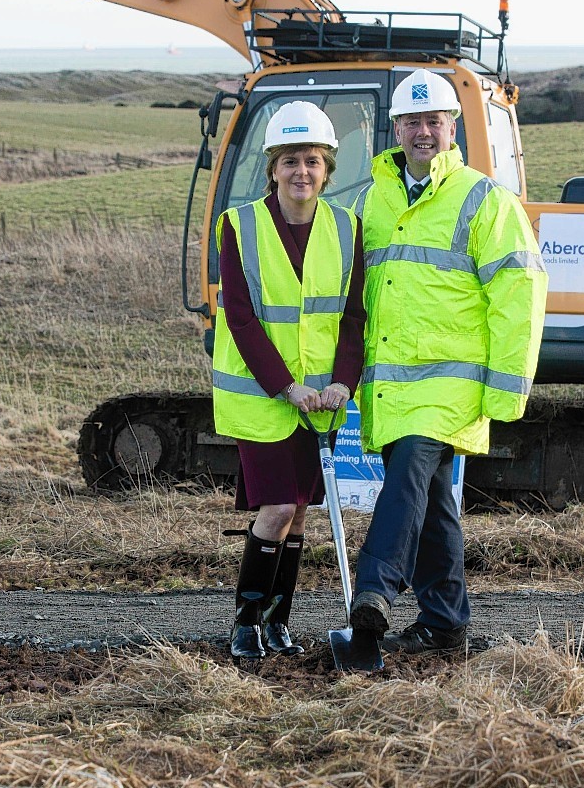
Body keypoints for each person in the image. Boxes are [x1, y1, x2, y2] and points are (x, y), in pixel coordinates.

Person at [348, 67, 548, 656]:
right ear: (395, 128)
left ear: (452, 126)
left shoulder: (485, 200)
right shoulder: (371, 200)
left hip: (450, 386)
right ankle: (445, 624)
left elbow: (520, 295)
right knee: (433, 504)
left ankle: (373, 595)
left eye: (433, 120)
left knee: (406, 481)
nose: (422, 132)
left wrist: (506, 387)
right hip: (390, 387)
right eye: (411, 122)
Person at [213, 100, 366, 660]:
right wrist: (286, 387)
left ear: (327, 168)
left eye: (313, 160)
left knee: (300, 511)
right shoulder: (240, 225)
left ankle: (279, 623)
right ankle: (246, 622)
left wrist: (344, 382)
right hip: (262, 399)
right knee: (276, 508)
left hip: (321, 401)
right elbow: (241, 319)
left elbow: (353, 319)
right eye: (290, 161)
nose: (302, 172)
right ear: (272, 167)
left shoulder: (347, 229)